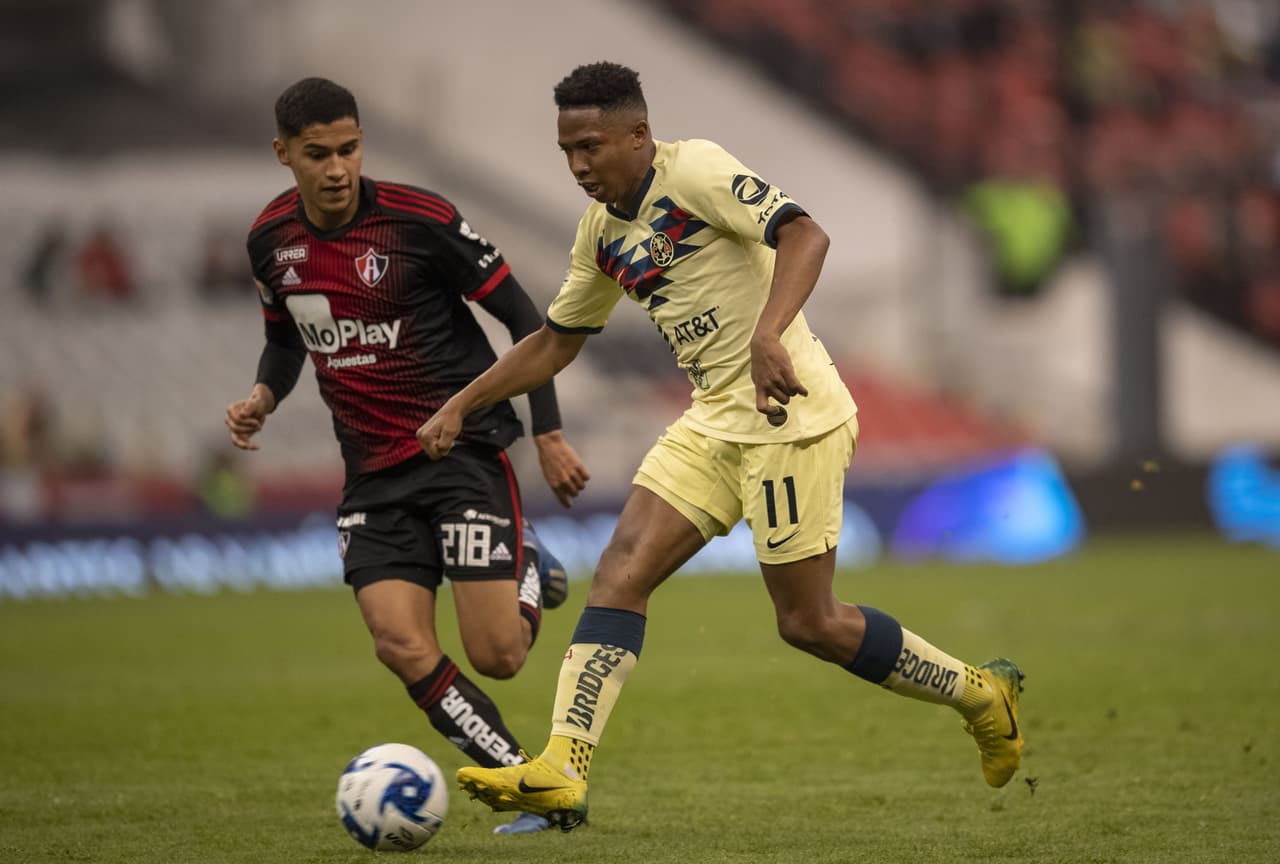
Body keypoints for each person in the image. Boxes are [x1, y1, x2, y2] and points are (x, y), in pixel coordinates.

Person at [418, 62, 1025, 831]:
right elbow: (555, 342)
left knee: (808, 623)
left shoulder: (695, 170)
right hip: (714, 419)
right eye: (567, 150)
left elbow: (806, 233)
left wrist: (769, 333)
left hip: (789, 416)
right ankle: (562, 768)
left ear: (639, 135)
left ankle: (981, 693)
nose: (577, 166)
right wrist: (463, 403)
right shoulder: (602, 231)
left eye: (591, 146)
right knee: (619, 571)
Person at [224, 77, 590, 835]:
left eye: (349, 149)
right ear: (283, 153)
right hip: (370, 476)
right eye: (317, 153)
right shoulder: (270, 241)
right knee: (399, 643)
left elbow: (530, 320)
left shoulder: (419, 220)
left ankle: (524, 562)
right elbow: (286, 337)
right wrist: (264, 394)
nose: (336, 168)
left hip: (462, 452)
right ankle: (530, 783)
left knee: (499, 656)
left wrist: (548, 431)